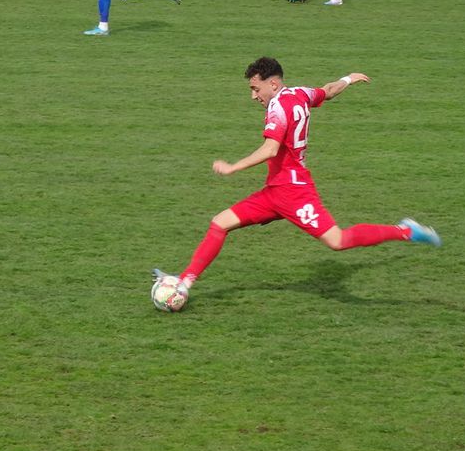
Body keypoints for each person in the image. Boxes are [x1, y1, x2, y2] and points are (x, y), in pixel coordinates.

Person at [154, 57, 441, 296]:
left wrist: (233, 167)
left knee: (338, 241)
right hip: (275, 191)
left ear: (272, 83)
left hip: (293, 192)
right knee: (220, 223)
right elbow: (327, 91)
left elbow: (270, 149)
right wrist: (348, 79)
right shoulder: (300, 93)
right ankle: (185, 282)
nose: (253, 96)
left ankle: (407, 231)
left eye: (255, 89)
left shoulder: (278, 108)